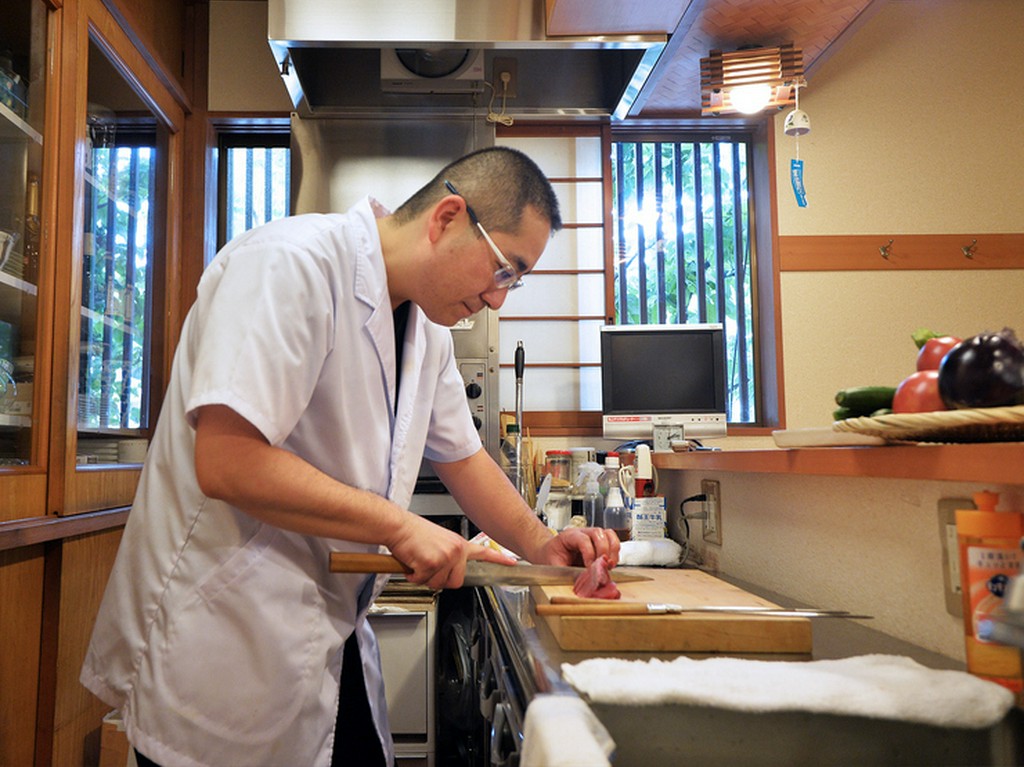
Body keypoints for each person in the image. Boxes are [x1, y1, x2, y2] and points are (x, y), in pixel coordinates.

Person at [80, 146, 620, 767]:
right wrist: (397, 525)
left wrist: (540, 544)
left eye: (514, 283)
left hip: (325, 639)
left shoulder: (428, 331)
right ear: (447, 217)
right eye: (503, 270)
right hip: (224, 633)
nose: (500, 300)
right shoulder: (289, 264)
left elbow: (464, 459)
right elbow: (228, 461)